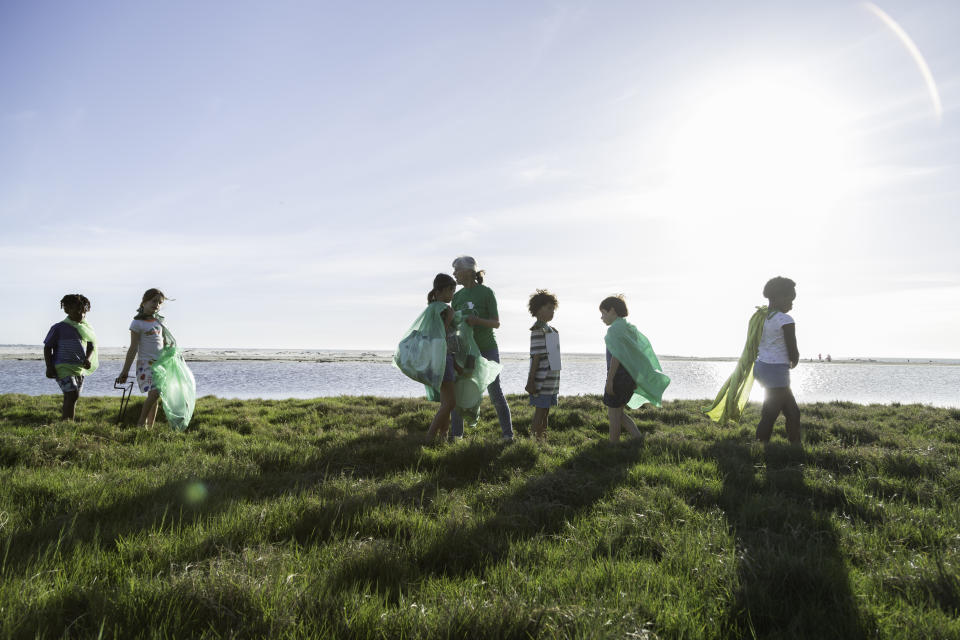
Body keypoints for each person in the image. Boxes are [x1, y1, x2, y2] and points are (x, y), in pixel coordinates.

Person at [448, 256, 514, 442]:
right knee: (460, 392)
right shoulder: (457, 297)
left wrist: (477, 321)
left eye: (456, 270)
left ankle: (508, 435)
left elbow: (496, 323)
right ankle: (456, 436)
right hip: (467, 352)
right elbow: (453, 325)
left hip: (487, 349)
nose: (454, 274)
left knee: (495, 393)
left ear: (469, 272)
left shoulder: (486, 293)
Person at [600, 295, 670, 442]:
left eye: (603, 313)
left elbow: (617, 356)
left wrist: (610, 380)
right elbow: (637, 355)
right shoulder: (629, 328)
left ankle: (613, 447)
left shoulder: (615, 330)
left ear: (612, 311)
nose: (602, 317)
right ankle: (638, 439)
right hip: (630, 377)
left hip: (618, 377)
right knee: (618, 413)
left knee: (613, 414)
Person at [753, 276, 801, 444]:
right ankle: (760, 445)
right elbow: (792, 347)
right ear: (777, 297)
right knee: (770, 414)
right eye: (789, 298)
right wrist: (794, 360)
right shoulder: (785, 320)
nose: (792, 303)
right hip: (776, 371)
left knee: (792, 412)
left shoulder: (762, 317)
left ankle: (795, 446)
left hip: (762, 367)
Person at [117, 288, 169, 428]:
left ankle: (149, 428)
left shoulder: (159, 322)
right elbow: (133, 348)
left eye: (159, 303)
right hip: (146, 364)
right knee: (154, 393)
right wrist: (125, 371)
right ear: (144, 302)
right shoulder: (137, 323)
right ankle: (140, 424)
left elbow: (163, 344)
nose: (156, 305)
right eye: (153, 301)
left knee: (154, 396)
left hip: (160, 365)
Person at [43, 294, 98, 420]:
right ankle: (68, 424)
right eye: (77, 311)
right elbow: (47, 347)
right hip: (62, 367)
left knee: (72, 397)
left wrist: (87, 359)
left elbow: (91, 346)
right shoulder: (59, 328)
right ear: (67, 309)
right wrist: (49, 367)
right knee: (72, 395)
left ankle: (65, 424)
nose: (81, 315)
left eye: (84, 312)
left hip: (79, 368)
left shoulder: (84, 329)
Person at [424, 274, 459, 441]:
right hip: (442, 359)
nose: (453, 294)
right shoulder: (440, 309)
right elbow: (438, 336)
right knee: (450, 403)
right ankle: (431, 435)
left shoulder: (434, 307)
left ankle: (443, 436)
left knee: (446, 402)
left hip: (444, 358)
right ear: (441, 290)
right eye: (451, 290)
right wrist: (450, 320)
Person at [525, 290, 560, 441]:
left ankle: (542, 439)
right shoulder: (538, 330)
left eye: (553, 308)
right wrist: (531, 380)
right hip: (542, 378)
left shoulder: (550, 329)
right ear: (538, 309)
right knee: (540, 411)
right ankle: (533, 441)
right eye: (548, 308)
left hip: (552, 379)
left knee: (546, 410)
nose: (552, 311)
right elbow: (537, 356)